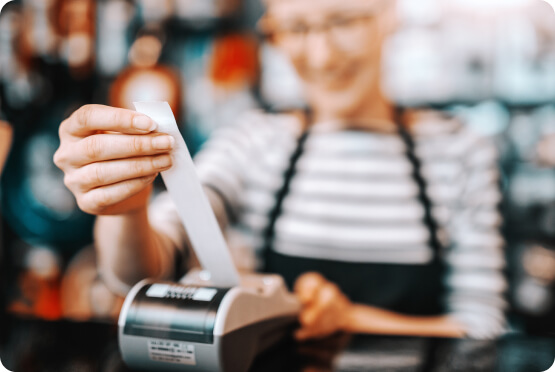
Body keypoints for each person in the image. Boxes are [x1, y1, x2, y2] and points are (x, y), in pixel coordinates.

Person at [54, 0, 506, 340]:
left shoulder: (459, 151)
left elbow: (484, 331)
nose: (322, 54)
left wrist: (349, 320)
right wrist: (125, 211)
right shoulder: (255, 143)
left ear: (391, 15)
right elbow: (143, 274)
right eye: (294, 28)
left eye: (343, 20)